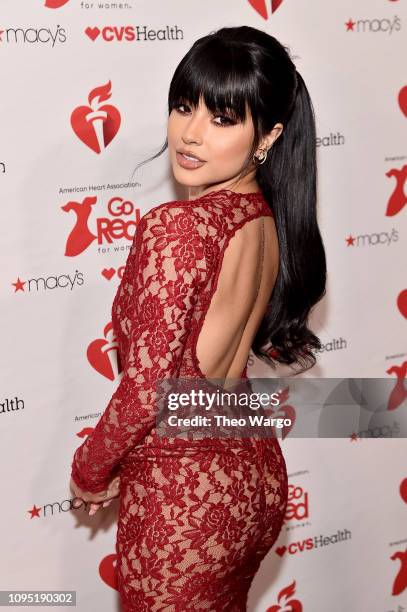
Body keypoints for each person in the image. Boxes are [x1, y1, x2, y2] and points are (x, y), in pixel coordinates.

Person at [70, 25, 326, 611]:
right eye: (185, 107)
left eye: (222, 118)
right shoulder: (264, 219)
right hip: (253, 478)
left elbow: (146, 391)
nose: (189, 134)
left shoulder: (178, 227)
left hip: (184, 496)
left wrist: (90, 469)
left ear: (268, 135)